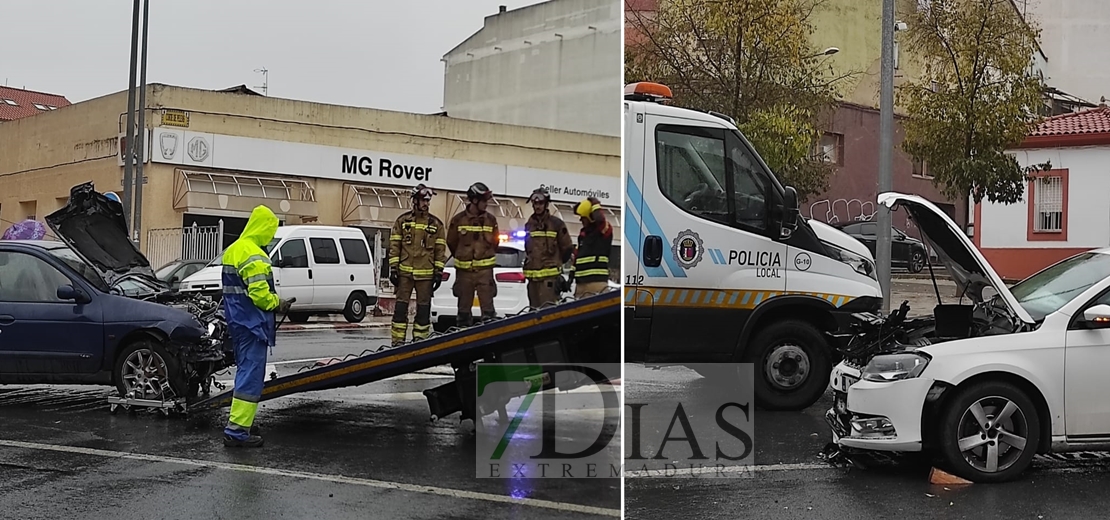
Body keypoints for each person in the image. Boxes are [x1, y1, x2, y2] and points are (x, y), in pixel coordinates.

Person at [220, 205, 293, 448]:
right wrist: (279, 303)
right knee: (251, 378)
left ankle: (241, 422)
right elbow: (260, 296)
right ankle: (237, 430)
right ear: (263, 228)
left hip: (237, 321)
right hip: (253, 324)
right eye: (271, 231)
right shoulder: (256, 256)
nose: (271, 237)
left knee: (244, 373)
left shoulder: (234, 250)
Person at [388, 184, 447, 346]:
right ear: (414, 201)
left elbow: (440, 250)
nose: (426, 204)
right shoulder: (402, 221)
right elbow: (394, 247)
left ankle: (420, 342)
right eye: (423, 200)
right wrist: (393, 269)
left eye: (428, 201)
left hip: (426, 277)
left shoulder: (437, 225)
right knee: (400, 309)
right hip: (404, 275)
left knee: (423, 311)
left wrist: (438, 272)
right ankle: (398, 342)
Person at [447, 182, 500, 327]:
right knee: (463, 315)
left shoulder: (491, 220)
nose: (486, 204)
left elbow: (495, 243)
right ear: (475, 200)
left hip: (485, 274)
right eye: (484, 201)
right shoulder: (458, 220)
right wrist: (463, 257)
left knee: (489, 315)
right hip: (464, 274)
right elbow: (451, 242)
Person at [522, 187, 574, 307]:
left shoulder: (556, 224)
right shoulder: (529, 225)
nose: (537, 206)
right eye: (535, 203)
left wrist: (556, 264)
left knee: (548, 312)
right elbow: (528, 249)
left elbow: (567, 248)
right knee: (533, 313)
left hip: (549, 281)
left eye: (540, 203)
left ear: (546, 204)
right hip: (532, 281)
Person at [570, 197, 613, 298]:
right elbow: (577, 257)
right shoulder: (583, 235)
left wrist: (595, 205)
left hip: (596, 283)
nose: (581, 219)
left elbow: (600, 219)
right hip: (580, 284)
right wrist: (571, 275)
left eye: (583, 217)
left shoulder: (603, 230)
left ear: (590, 217)